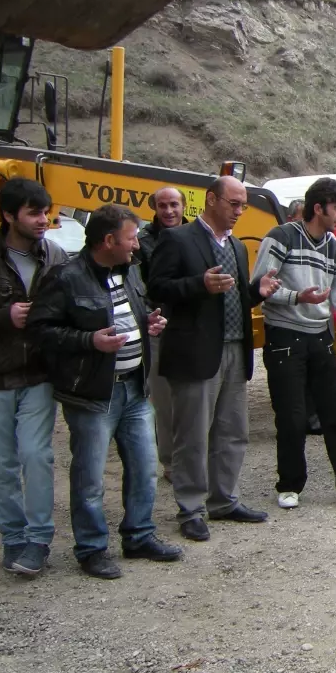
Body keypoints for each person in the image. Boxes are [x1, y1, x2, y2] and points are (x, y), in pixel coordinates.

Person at [28, 204, 182, 579]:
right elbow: (39, 330)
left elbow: (133, 310)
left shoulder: (127, 270)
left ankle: (139, 536)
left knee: (145, 469)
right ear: (109, 240)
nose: (136, 246)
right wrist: (89, 341)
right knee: (90, 478)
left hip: (134, 389)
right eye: (131, 238)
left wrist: (149, 322)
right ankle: (92, 549)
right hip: (94, 396)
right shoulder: (65, 277)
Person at [148, 177, 281, 540]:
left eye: (243, 205)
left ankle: (223, 500)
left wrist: (256, 292)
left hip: (235, 349)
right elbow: (156, 287)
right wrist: (197, 285)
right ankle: (190, 508)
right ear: (210, 200)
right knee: (192, 433)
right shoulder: (177, 239)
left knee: (232, 431)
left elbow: (234, 299)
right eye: (233, 204)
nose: (239, 211)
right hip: (195, 351)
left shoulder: (237, 247)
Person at [250, 177, 336, 509]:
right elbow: (261, 286)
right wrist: (298, 296)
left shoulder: (333, 247)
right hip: (284, 338)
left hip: (320, 338)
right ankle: (289, 485)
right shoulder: (280, 238)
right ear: (318, 208)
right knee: (292, 416)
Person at [0, 178, 67, 577]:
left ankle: (38, 541)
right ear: (9, 215)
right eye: (34, 213)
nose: (43, 220)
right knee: (1, 465)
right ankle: (12, 538)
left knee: (36, 456)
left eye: (46, 212)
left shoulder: (57, 257)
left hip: (39, 374)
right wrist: (3, 317)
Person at [138, 186, 187, 485]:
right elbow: (139, 286)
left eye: (174, 205)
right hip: (159, 328)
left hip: (192, 328)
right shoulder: (142, 243)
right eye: (162, 205)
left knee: (194, 398)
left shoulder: (198, 237)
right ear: (154, 208)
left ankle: (191, 456)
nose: (168, 211)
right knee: (165, 400)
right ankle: (170, 461)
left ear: (184, 206)